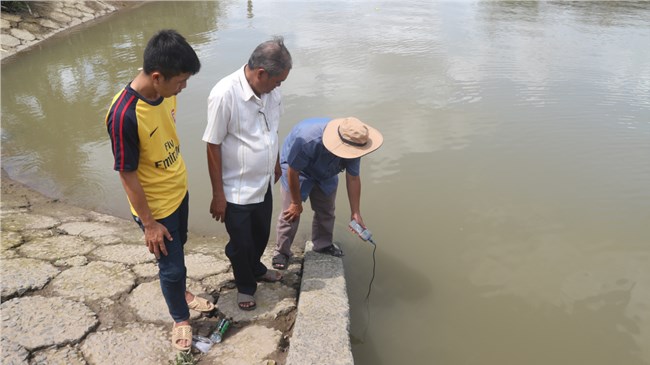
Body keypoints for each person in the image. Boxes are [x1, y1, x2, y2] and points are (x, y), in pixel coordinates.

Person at [105, 29, 213, 351]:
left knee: (180, 247)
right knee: (172, 266)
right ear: (156, 76)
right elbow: (127, 175)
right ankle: (180, 318)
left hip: (179, 189)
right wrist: (149, 224)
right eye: (180, 81)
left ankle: (180, 292)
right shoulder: (124, 115)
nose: (183, 87)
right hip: (157, 208)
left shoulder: (165, 93)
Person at [203, 37, 292, 311]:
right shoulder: (224, 94)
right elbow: (213, 144)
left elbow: (272, 130)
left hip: (263, 181)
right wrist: (218, 194)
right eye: (277, 81)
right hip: (236, 190)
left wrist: (276, 162)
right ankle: (245, 285)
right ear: (261, 73)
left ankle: (255, 268)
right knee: (241, 243)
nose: (278, 87)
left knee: (260, 233)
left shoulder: (271, 93)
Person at [272, 117, 383, 270]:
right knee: (291, 213)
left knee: (326, 211)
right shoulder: (306, 139)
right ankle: (282, 252)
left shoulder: (355, 145)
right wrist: (296, 203)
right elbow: (293, 171)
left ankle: (323, 245)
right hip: (298, 169)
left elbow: (353, 178)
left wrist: (355, 212)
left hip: (328, 171)